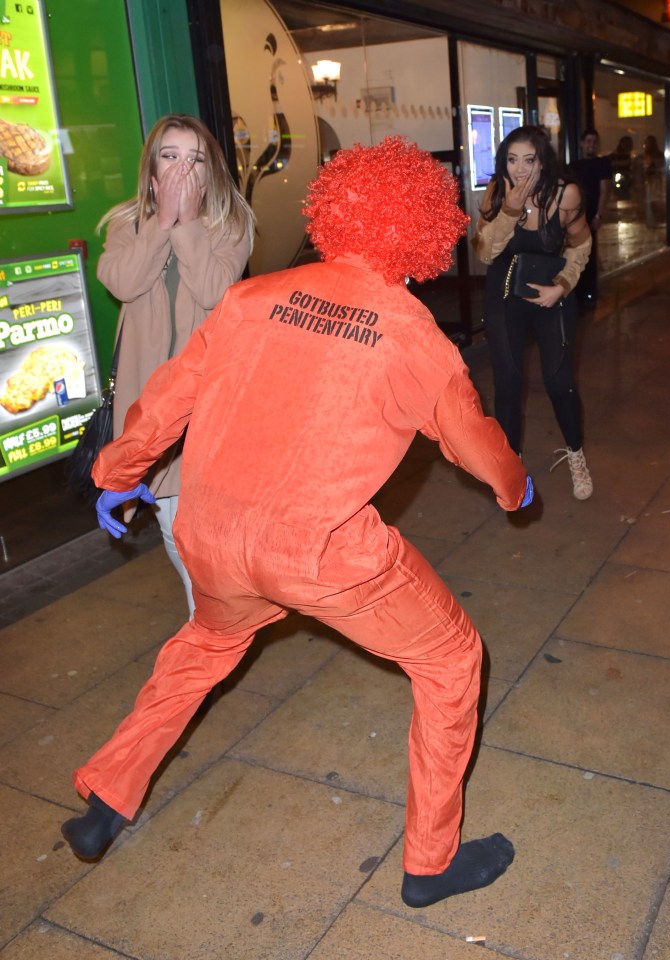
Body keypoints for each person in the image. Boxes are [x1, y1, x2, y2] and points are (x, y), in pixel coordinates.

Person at [61, 137, 535, 909]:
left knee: (202, 649)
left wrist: (115, 476)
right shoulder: (415, 334)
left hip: (213, 538)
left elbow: (165, 400)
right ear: (425, 231)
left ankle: (106, 799)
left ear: (335, 213)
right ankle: (430, 861)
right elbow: (477, 445)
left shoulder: (250, 300)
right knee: (452, 661)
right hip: (320, 551)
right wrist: (516, 492)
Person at [96, 114, 256, 617]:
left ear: (210, 173)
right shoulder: (125, 224)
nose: (183, 169)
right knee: (177, 531)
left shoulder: (232, 224)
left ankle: (207, 637)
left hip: (207, 406)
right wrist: (159, 225)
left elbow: (214, 290)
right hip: (150, 408)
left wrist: (184, 225)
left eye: (195, 159)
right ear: (151, 168)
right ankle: (209, 630)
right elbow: (122, 282)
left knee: (190, 535)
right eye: (171, 156)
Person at [472, 125, 594, 500]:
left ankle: (576, 454)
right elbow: (485, 253)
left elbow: (581, 245)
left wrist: (563, 285)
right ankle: (512, 471)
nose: (520, 170)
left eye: (529, 159)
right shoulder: (497, 191)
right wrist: (509, 209)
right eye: (512, 160)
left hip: (551, 296)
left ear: (543, 160)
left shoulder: (565, 194)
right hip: (504, 296)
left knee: (560, 383)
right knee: (507, 384)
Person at [570, 127, 611, 308]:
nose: (591, 145)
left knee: (590, 254)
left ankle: (589, 292)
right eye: (588, 142)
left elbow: (604, 191)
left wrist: (598, 215)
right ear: (581, 144)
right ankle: (577, 291)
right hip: (575, 218)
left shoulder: (602, 164)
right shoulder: (574, 166)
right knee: (574, 254)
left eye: (594, 142)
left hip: (591, 216)